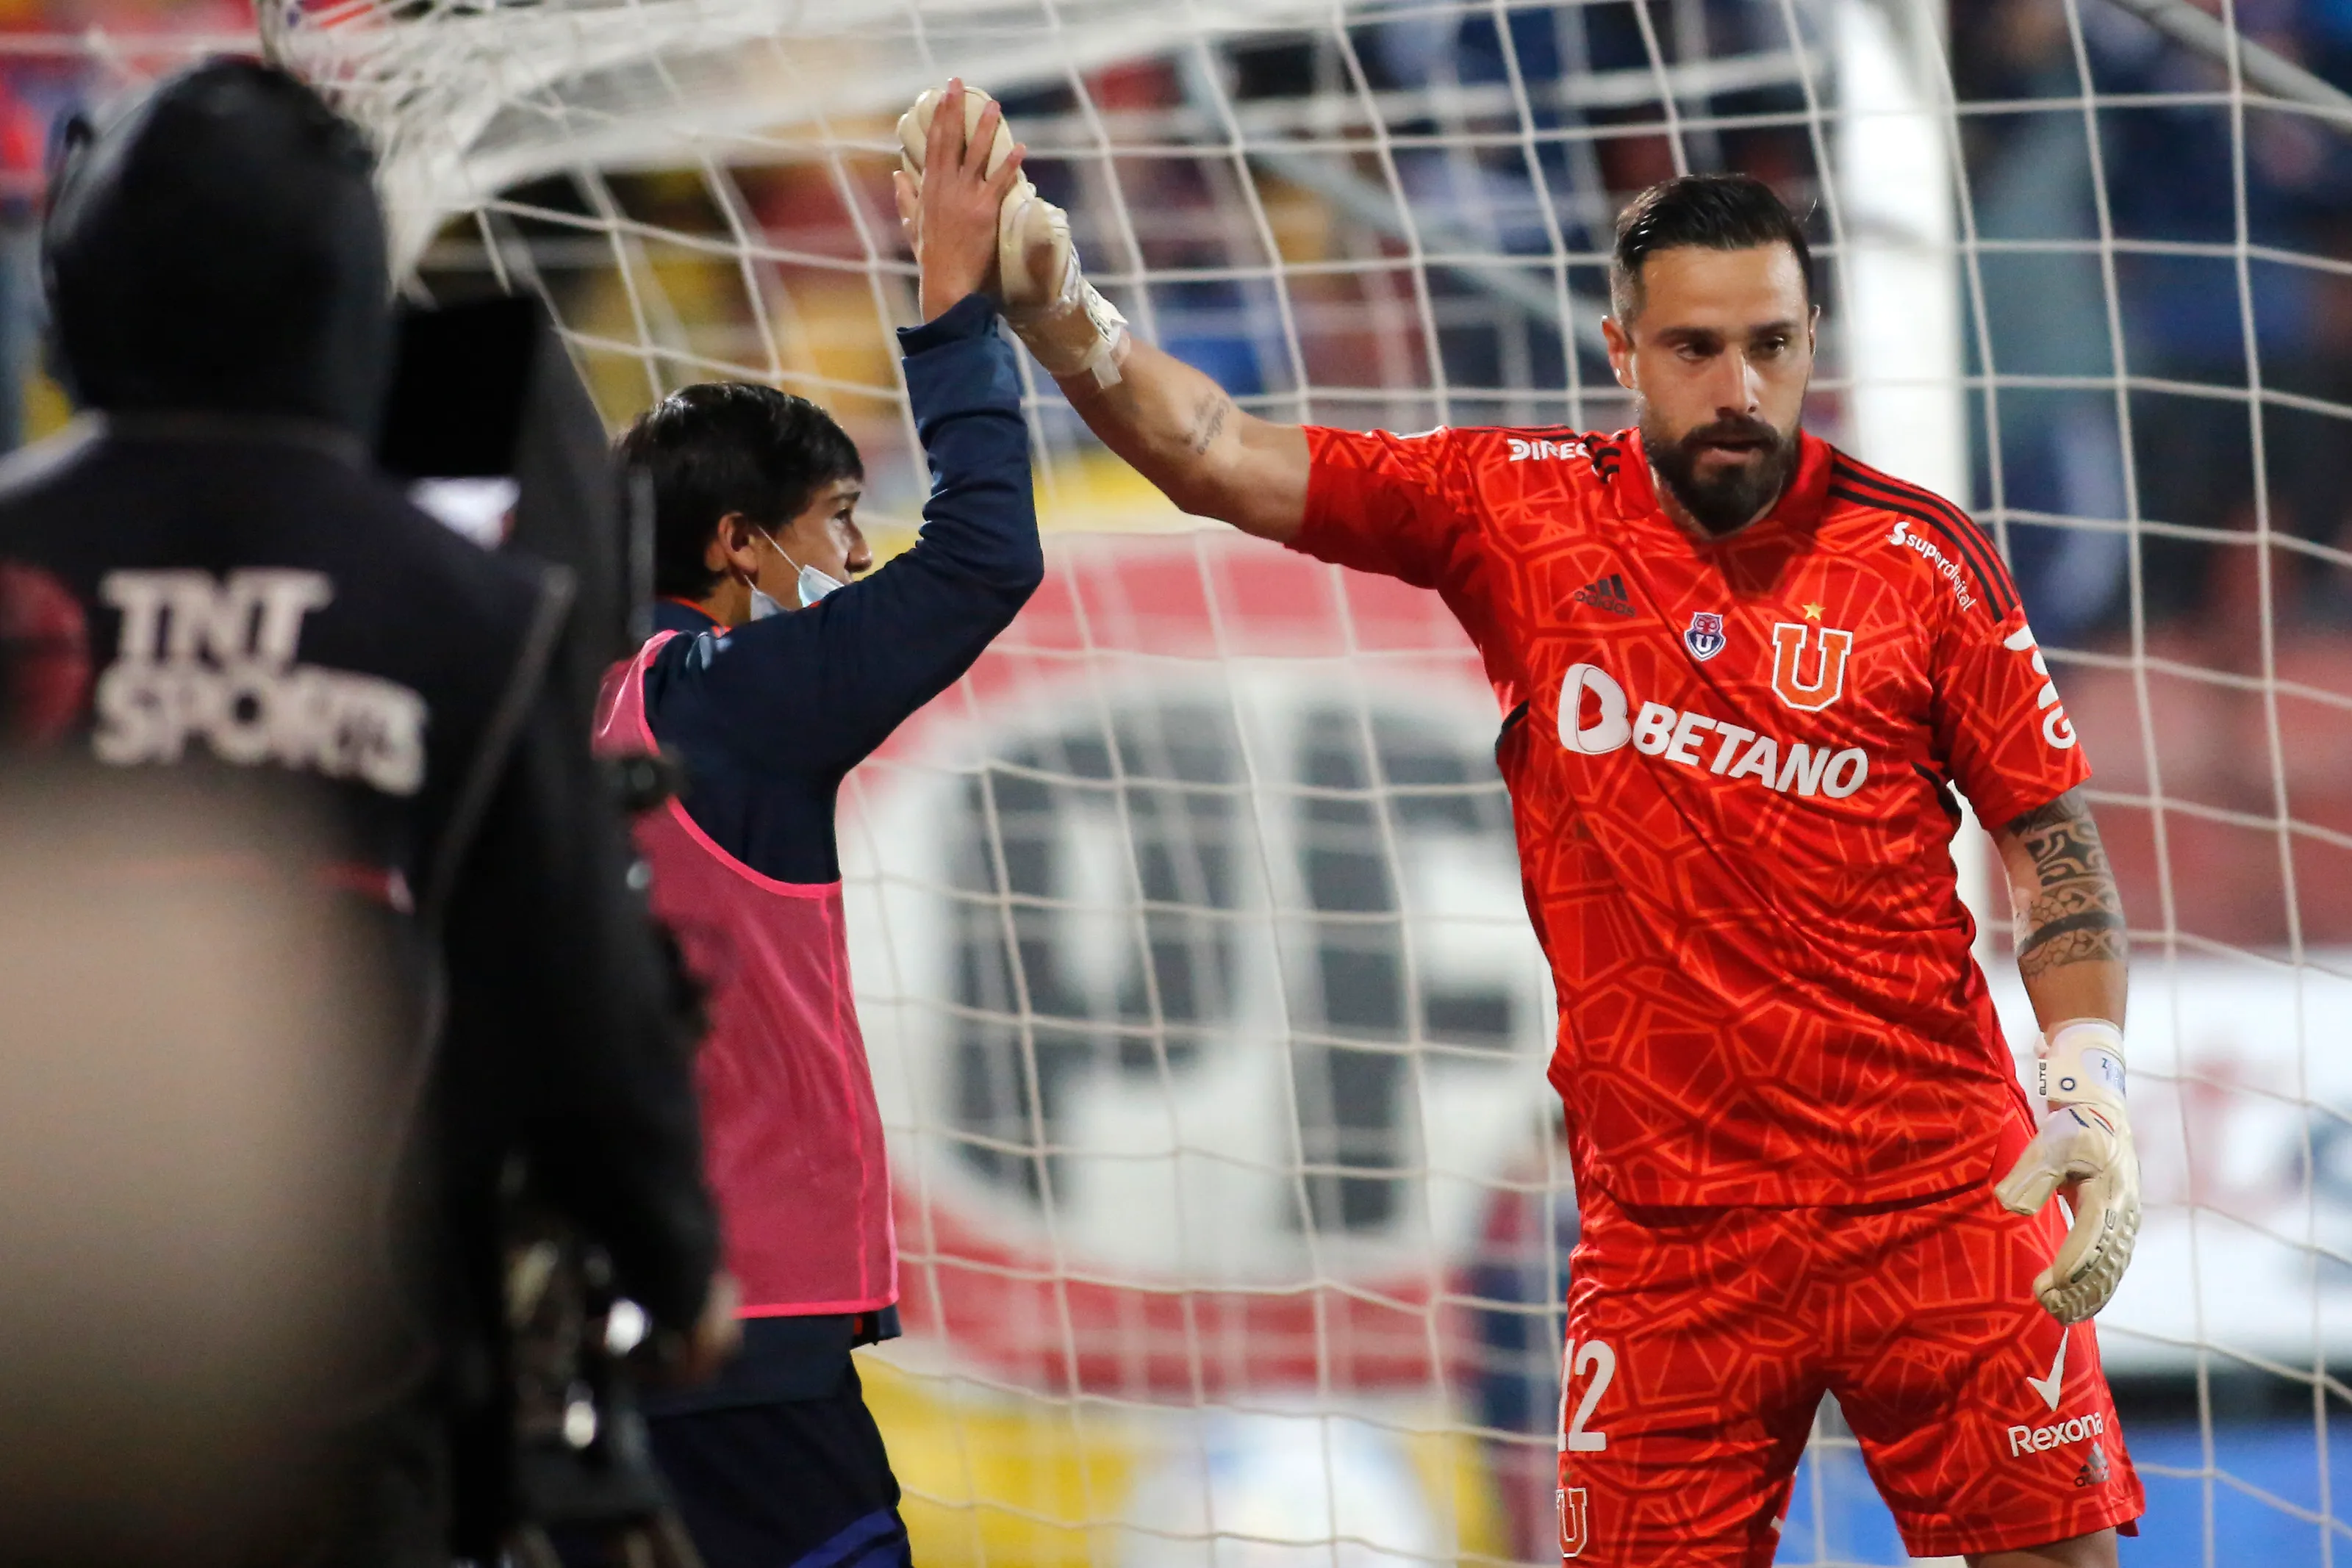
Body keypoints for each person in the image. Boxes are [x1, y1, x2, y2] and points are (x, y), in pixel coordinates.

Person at [908, 115, 2146, 1567]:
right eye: (1694, 348)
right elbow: (1215, 451)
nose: (1737, 386)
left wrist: (2087, 1082)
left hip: (1935, 1190)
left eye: (1770, 343)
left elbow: (2052, 848)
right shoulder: (1516, 510)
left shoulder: (1922, 562)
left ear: (1811, 340)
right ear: (1622, 353)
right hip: (1670, 1233)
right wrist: (1066, 317)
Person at [0, 58, 734, 1564]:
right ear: (343, 307)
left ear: (78, 290)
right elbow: (574, 993)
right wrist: (675, 1257)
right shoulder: (471, 613)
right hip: (341, 1401)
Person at [593, 78, 1040, 1568]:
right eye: (839, 521)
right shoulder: (732, 700)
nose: (855, 557)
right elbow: (984, 551)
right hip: (742, 1338)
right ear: (737, 545)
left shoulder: (543, 692)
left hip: (573, 1326)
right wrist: (953, 298)